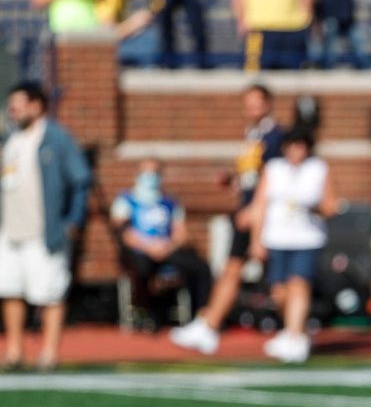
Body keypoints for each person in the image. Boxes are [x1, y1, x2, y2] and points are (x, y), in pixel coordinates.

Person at [171, 83, 284, 355]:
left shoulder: (275, 136)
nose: (252, 107)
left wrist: (256, 209)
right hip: (247, 209)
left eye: (257, 102)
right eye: (248, 102)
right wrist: (234, 181)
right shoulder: (253, 134)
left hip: (261, 214)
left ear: (268, 103)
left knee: (278, 277)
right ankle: (210, 324)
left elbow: (273, 179)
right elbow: (251, 176)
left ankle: (295, 330)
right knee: (233, 269)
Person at [0, 82, 91, 371]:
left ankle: (49, 353)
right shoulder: (10, 139)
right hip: (10, 231)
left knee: (50, 292)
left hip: (45, 232)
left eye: (20, 103)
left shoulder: (57, 138)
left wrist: (72, 221)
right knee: (10, 289)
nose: (14, 110)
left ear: (37, 105)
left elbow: (80, 181)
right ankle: (14, 350)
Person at [246, 128, 338, 363]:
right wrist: (256, 240)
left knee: (299, 284)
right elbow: (260, 206)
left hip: (307, 238)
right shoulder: (274, 169)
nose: (297, 151)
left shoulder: (318, 169)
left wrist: (315, 207)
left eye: (301, 146)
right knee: (279, 293)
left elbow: (330, 206)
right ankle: (293, 331)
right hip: (277, 238)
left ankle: (295, 336)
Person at [111, 158, 213, 317]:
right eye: (146, 173)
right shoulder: (126, 200)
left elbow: (182, 234)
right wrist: (149, 247)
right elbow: (124, 233)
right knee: (141, 269)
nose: (150, 177)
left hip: (167, 249)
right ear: (137, 175)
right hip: (140, 251)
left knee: (200, 267)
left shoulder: (170, 202)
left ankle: (202, 315)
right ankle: (147, 310)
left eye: (155, 173)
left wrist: (167, 246)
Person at [95, 0, 160, 67]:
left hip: (111, 46)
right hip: (100, 49)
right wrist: (134, 23)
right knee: (150, 38)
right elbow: (107, 35)